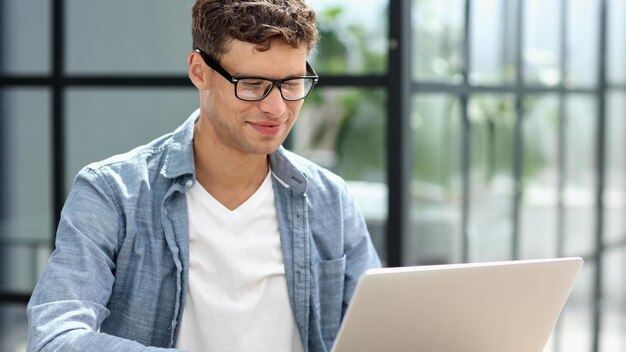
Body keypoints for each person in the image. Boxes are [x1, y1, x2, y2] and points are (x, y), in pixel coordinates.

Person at [27, 1, 381, 351]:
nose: (276, 109)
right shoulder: (113, 192)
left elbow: (381, 330)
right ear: (199, 70)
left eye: (292, 83)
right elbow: (55, 336)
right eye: (253, 84)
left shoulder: (329, 198)